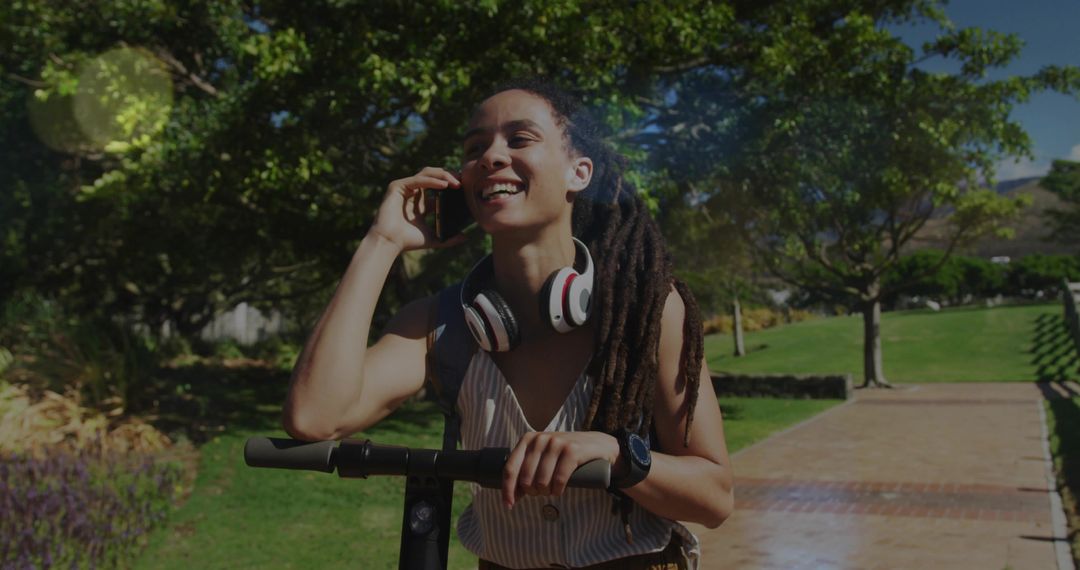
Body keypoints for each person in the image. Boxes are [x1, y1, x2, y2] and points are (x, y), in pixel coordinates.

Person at [283, 78, 734, 570]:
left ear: (578, 172)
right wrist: (382, 240)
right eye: (474, 148)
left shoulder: (648, 311)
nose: (491, 157)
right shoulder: (437, 324)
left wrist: (614, 453)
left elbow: (714, 497)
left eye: (519, 139)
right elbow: (314, 418)